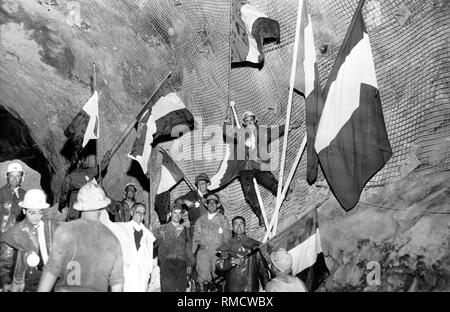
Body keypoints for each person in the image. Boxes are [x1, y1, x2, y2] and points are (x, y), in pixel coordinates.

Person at [38, 180, 123, 292]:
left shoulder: (65, 230)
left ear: (79, 205)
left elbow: (51, 271)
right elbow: (117, 283)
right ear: (102, 206)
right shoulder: (113, 240)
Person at [223, 111, 299, 226]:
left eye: (251, 120)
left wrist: (289, 125)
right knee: (249, 192)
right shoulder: (240, 134)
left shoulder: (263, 132)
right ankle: (261, 215)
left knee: (269, 180)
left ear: (255, 120)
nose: (249, 123)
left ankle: (284, 193)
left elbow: (276, 130)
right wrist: (226, 122)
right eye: (247, 121)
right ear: (244, 123)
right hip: (245, 168)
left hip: (260, 165)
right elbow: (228, 133)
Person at [0, 189, 58, 292]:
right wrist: (6, 284)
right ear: (24, 211)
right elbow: (4, 266)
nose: (36, 217)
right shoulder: (13, 235)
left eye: (40, 212)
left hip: (53, 280)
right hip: (27, 284)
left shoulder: (52, 228)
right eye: (32, 213)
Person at [102, 202, 155, 292]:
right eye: (138, 212)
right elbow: (106, 223)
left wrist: (148, 272)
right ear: (131, 212)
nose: (141, 215)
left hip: (142, 274)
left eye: (143, 213)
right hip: (127, 271)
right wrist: (101, 206)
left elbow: (150, 255)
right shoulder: (122, 227)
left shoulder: (148, 235)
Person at [216, 216, 269, 292]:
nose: (239, 226)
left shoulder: (254, 244)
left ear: (245, 227)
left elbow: (263, 269)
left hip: (250, 287)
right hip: (232, 288)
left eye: (241, 223)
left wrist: (267, 288)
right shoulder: (227, 245)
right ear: (233, 228)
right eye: (236, 224)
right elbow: (219, 265)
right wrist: (232, 261)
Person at [192, 193, 231, 291]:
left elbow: (227, 238)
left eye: (214, 202)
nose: (212, 204)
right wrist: (191, 256)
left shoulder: (223, 219)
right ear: (206, 204)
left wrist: (226, 255)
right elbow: (195, 239)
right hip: (203, 254)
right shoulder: (200, 221)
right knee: (202, 280)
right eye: (209, 202)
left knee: (219, 280)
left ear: (218, 205)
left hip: (218, 254)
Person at [153, 201, 195, 292]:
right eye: (175, 213)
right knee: (167, 289)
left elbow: (188, 249)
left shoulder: (186, 230)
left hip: (181, 263)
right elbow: (154, 245)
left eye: (179, 213)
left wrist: (189, 264)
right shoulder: (162, 228)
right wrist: (155, 233)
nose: (177, 215)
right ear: (170, 214)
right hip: (167, 262)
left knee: (181, 290)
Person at [58, 153, 109, 221]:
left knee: (74, 220)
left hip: (78, 198)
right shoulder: (88, 172)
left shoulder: (72, 175)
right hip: (83, 199)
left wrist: (61, 206)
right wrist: (105, 158)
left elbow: (64, 193)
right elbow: (101, 167)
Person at [0, 162, 26, 233]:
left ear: (22, 177)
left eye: (18, 176)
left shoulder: (25, 195)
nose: (14, 179)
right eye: (12, 176)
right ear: (7, 176)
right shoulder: (1, 194)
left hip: (20, 236)